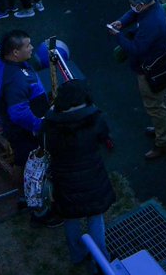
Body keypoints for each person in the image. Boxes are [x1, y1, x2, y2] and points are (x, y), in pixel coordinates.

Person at [42, 79, 116, 266]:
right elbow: (104, 137)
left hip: (64, 179)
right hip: (92, 177)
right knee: (95, 217)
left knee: (70, 217)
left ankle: (77, 255)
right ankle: (101, 260)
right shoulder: (94, 118)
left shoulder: (50, 123)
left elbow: (45, 145)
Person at [108, 0, 166, 159]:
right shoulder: (153, 6)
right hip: (159, 65)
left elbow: (136, 49)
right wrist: (122, 22)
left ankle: (163, 141)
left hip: (150, 69)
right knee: (161, 99)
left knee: (154, 105)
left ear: (141, 4)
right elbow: (133, 14)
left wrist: (118, 35)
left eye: (132, 4)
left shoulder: (151, 24)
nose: (131, 6)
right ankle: (164, 127)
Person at [0, 29, 48, 167]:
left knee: (22, 159)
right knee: (26, 163)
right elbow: (19, 114)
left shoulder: (2, 63)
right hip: (25, 133)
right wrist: (41, 126)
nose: (32, 47)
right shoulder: (16, 79)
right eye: (28, 45)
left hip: (15, 127)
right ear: (16, 53)